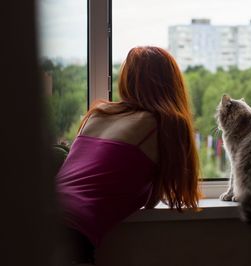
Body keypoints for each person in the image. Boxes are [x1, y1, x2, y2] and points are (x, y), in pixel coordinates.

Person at [56, 46, 201, 265]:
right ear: (172, 84)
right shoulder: (164, 123)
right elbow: (174, 193)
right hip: (71, 232)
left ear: (127, 79)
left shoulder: (98, 113)